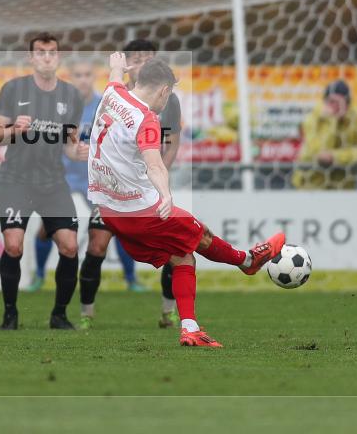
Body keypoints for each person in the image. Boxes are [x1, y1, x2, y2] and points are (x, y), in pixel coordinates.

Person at [88, 54, 285, 347]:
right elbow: (154, 164)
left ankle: (190, 328)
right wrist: (166, 194)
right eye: (169, 95)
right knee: (199, 234)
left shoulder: (111, 94)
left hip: (109, 210)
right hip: (140, 209)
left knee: (183, 255)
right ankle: (247, 261)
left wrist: (117, 65)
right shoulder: (147, 119)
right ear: (164, 90)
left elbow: (115, 76)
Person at [26, 59, 146, 300]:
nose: (83, 79)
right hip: (65, 175)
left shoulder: (106, 105)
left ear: (94, 76)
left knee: (116, 227)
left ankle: (131, 278)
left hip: (97, 177)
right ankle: (38, 276)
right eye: (78, 74)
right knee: (46, 228)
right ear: (71, 77)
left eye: (87, 74)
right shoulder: (60, 105)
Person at [0, 33, 86, 330]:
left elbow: (69, 146)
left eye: (52, 52)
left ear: (58, 57)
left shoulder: (71, 95)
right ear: (31, 58)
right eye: (41, 52)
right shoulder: (13, 88)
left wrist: (78, 152)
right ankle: (10, 313)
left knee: (70, 246)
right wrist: (12, 130)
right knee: (13, 246)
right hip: (16, 180)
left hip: (52, 182)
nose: (47, 57)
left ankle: (59, 314)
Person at [120, 40, 186, 329]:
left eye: (149, 56)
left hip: (152, 183)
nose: (144, 61)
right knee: (96, 243)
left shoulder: (169, 99)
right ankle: (84, 314)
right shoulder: (115, 95)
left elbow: (171, 142)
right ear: (128, 62)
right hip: (118, 185)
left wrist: (159, 177)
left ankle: (168, 310)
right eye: (138, 57)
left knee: (175, 245)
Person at [292, 79, 357, 190]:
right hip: (310, 186)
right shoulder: (313, 119)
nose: (335, 106)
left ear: (348, 103)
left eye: (339, 102)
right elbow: (317, 152)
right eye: (331, 101)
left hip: (343, 188)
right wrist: (332, 121)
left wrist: (335, 157)